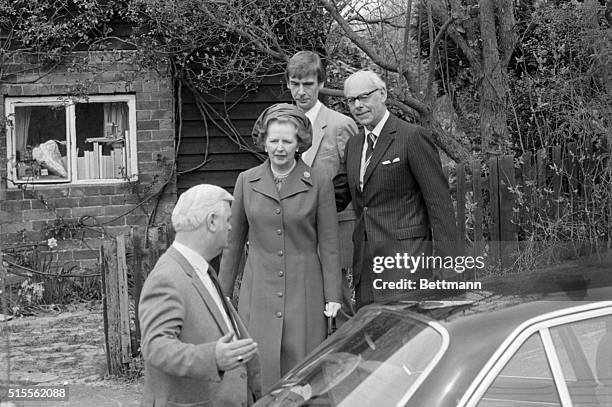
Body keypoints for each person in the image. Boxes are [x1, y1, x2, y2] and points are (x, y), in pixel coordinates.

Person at [219, 103, 342, 391]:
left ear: (300, 142)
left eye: (287, 141)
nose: (280, 148)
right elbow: (233, 244)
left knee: (303, 373)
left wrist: (333, 296)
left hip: (305, 291)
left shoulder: (319, 181)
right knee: (259, 372)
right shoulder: (246, 181)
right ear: (264, 141)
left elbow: (330, 244)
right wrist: (221, 297)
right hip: (258, 291)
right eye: (274, 140)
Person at [334, 70, 457, 308]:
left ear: (382, 94)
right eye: (351, 100)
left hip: (406, 262)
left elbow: (439, 203)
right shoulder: (354, 145)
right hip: (366, 265)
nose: (357, 105)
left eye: (364, 97)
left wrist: (448, 265)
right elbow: (337, 196)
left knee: (408, 339)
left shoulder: (411, 137)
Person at [139, 184, 261, 407]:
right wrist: (212, 358)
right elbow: (155, 346)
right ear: (212, 221)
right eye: (227, 219)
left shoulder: (200, 269)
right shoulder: (167, 277)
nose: (231, 227)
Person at [285, 51, 359, 321]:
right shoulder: (282, 125)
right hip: (296, 228)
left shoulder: (341, 125)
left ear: (320, 83)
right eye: (295, 83)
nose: (301, 91)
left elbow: (353, 179)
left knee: (337, 300)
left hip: (335, 224)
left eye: (308, 84)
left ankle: (354, 355)